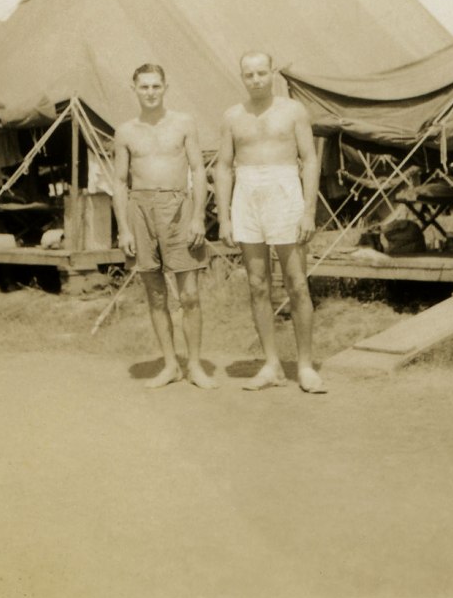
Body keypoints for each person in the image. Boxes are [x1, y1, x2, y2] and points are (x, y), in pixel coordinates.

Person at [214, 51, 327, 393]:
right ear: (242, 77)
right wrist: (224, 217)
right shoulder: (233, 116)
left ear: (272, 73)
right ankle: (271, 364)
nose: (256, 80)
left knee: (296, 282)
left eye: (262, 73)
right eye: (249, 75)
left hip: (284, 191)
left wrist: (308, 210)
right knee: (257, 284)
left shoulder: (293, 111)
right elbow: (222, 166)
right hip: (247, 193)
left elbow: (309, 160)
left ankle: (305, 366)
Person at [113, 63, 218, 389]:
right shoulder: (125, 131)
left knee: (189, 295)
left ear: (165, 87)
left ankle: (195, 365)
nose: (150, 92)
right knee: (156, 295)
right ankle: (171, 364)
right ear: (134, 89)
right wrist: (124, 229)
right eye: (144, 86)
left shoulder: (184, 123)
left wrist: (199, 215)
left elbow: (199, 170)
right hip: (140, 210)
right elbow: (118, 181)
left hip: (178, 207)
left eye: (156, 86)